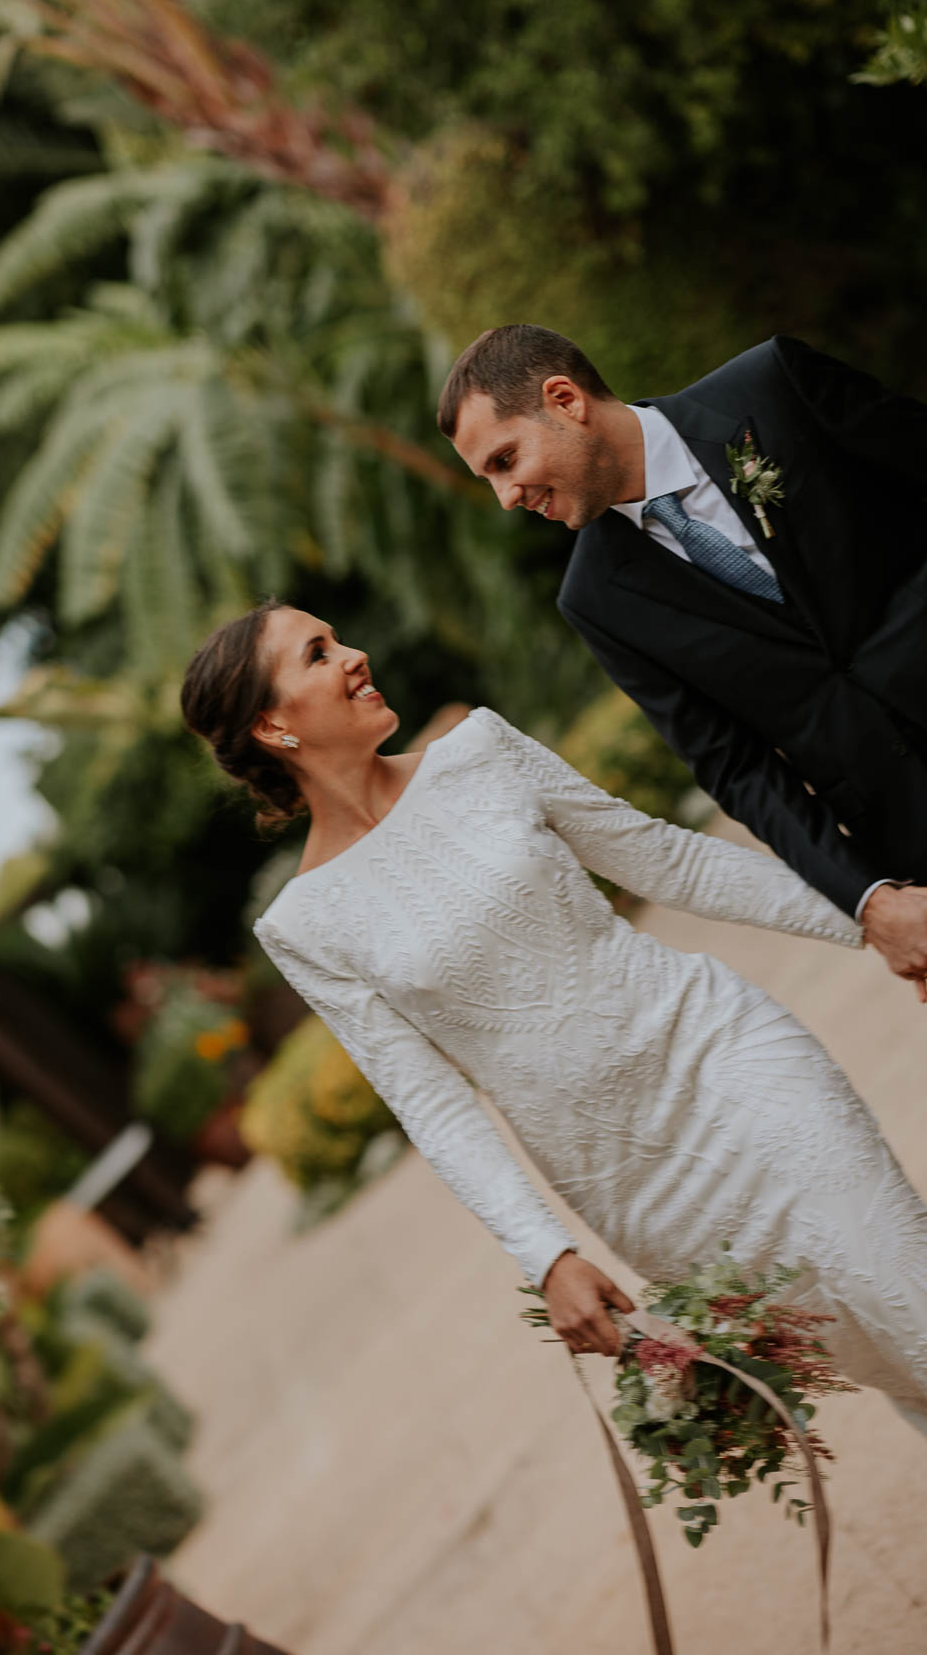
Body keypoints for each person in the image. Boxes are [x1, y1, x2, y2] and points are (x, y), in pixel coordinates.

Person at [181, 601, 927, 1429]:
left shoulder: (483, 752)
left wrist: (869, 916)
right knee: (865, 1348)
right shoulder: (303, 924)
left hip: (720, 1053)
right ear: (272, 725)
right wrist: (546, 1255)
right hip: (631, 1184)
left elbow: (665, 858)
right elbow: (429, 1100)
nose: (354, 654)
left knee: (900, 1287)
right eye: (318, 653)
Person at [436, 325, 927, 1000]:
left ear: (563, 399)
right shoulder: (594, 601)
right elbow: (736, 770)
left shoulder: (772, 387)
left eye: (504, 460)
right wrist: (870, 901)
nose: (506, 496)